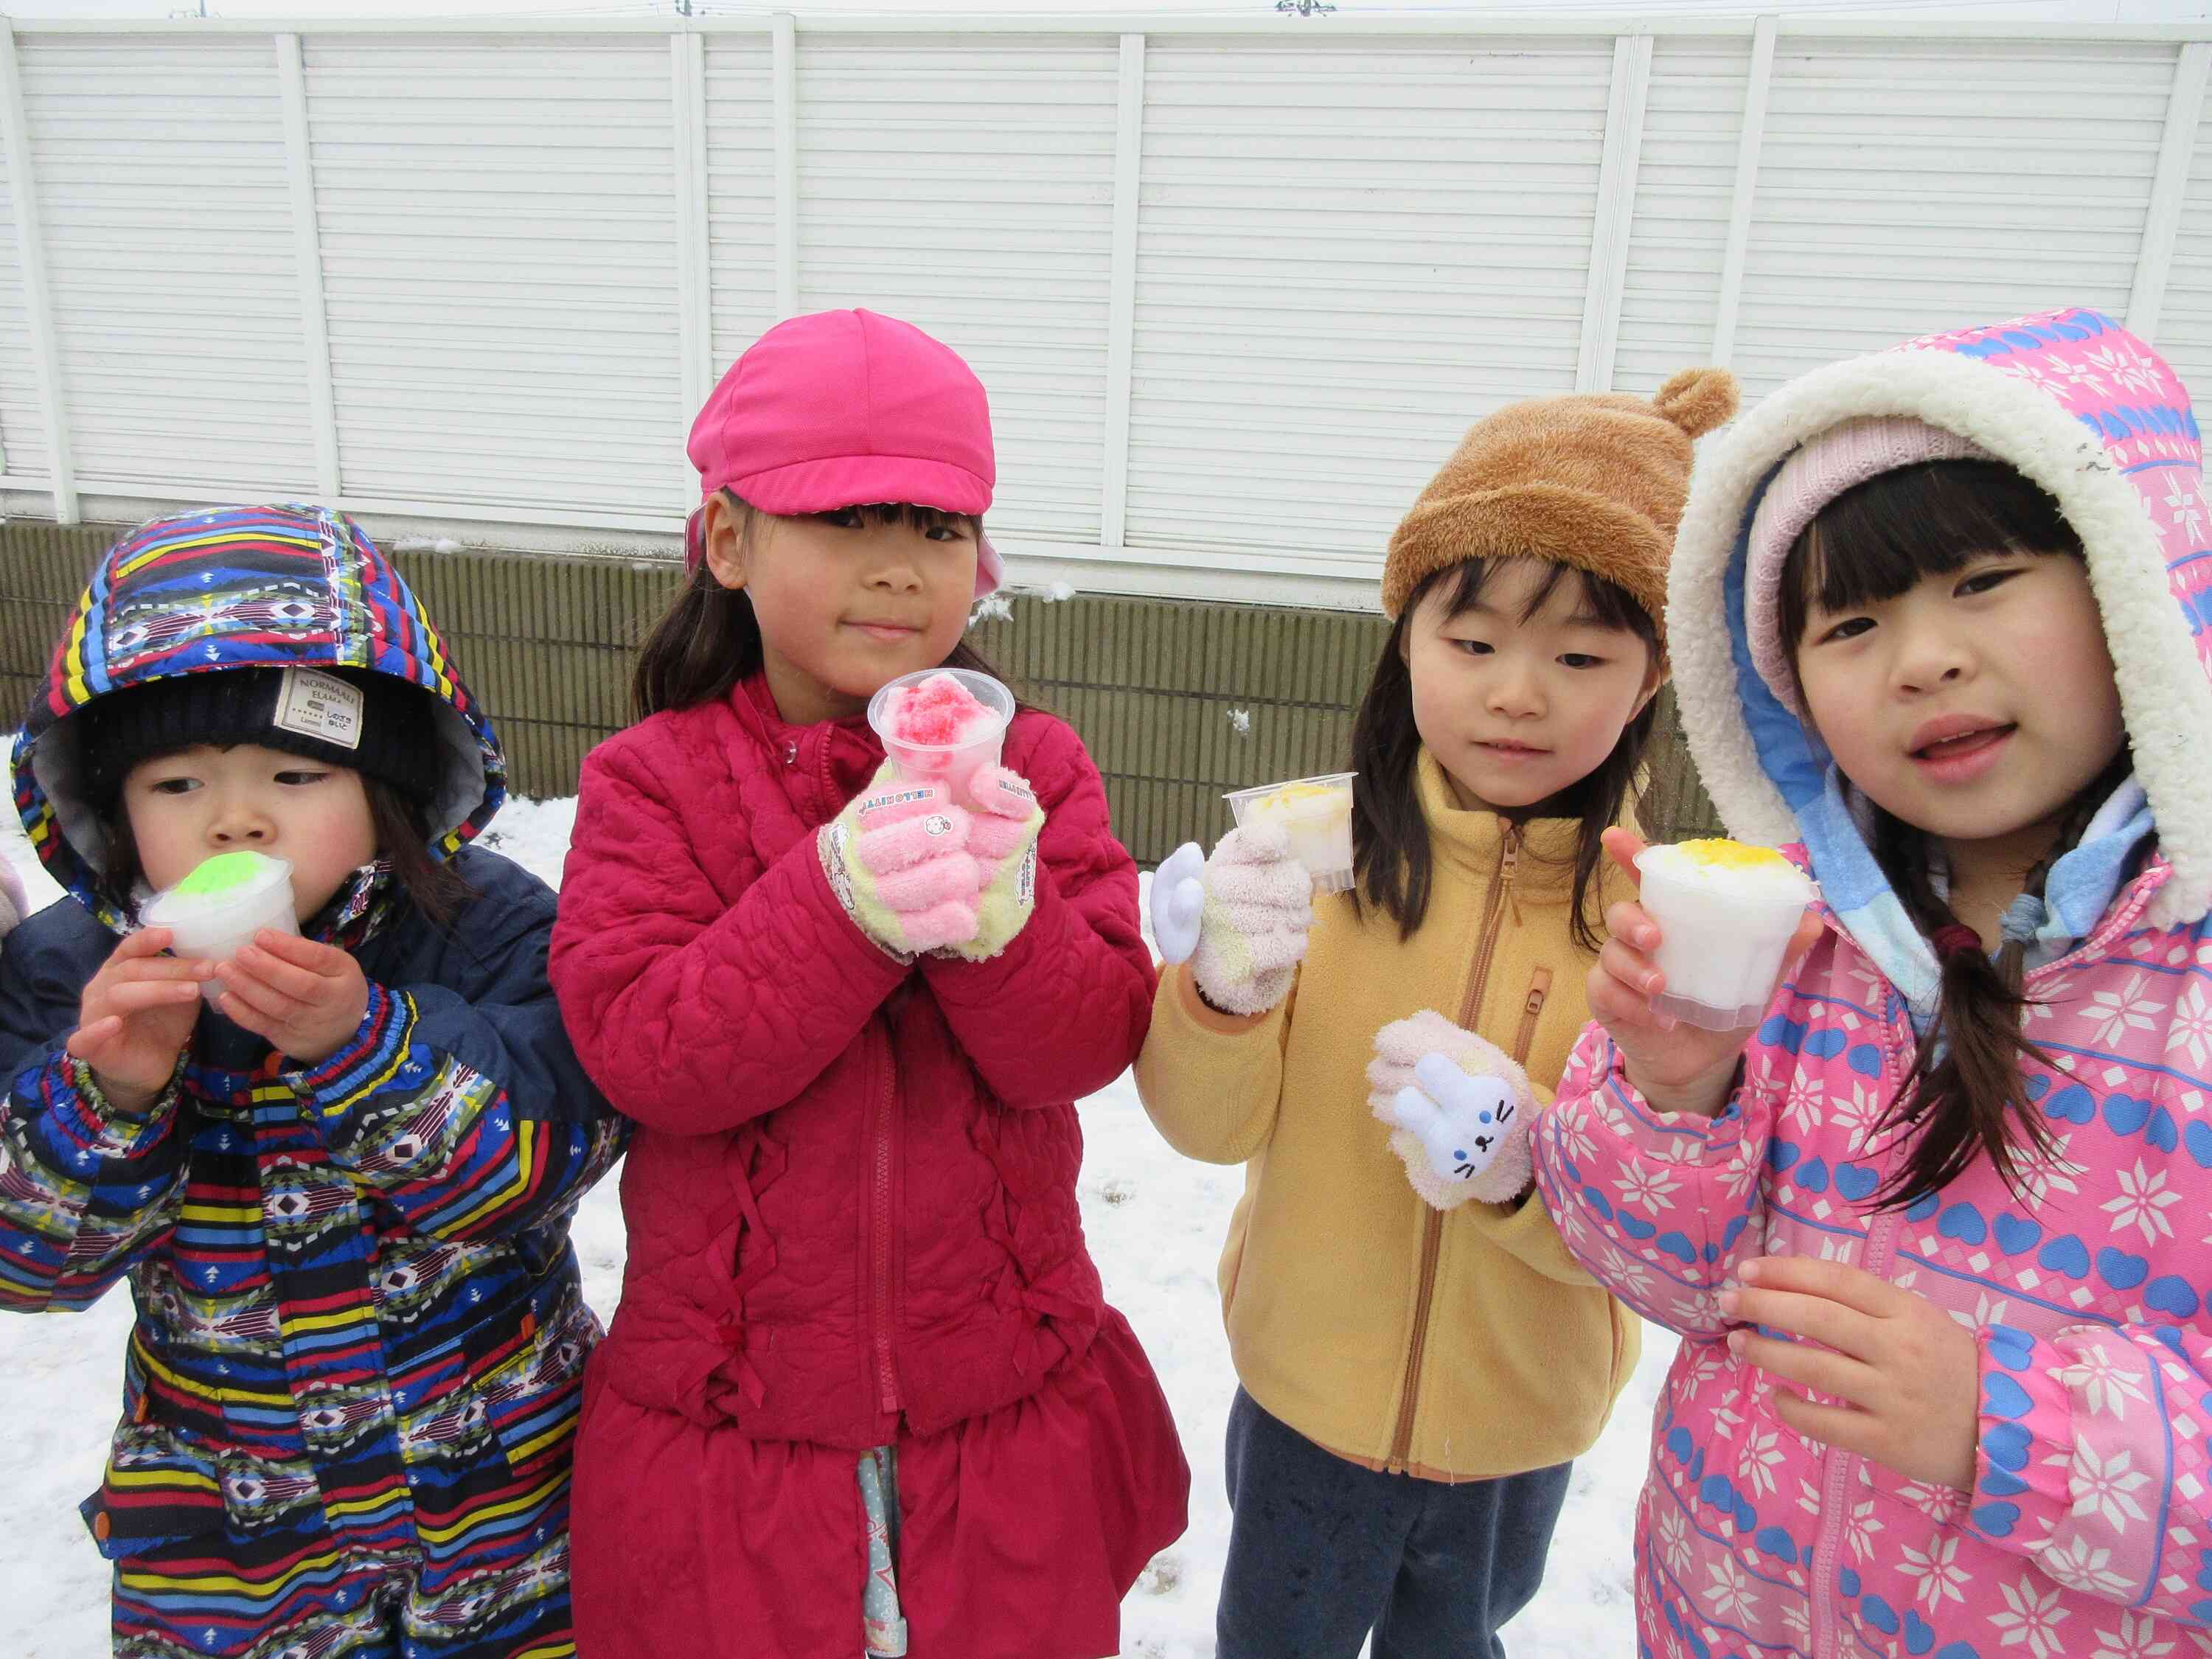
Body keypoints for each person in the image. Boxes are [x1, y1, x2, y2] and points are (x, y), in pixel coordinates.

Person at [1535, 307, 2212, 1652]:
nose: (1923, 659)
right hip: (1722, 1613)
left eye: (1981, 581)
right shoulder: (1789, 929)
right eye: (1851, 622)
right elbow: (1666, 1282)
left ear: (2133, 580)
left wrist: (2003, 1421)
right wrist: (1675, 1093)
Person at [549, 308, 1189, 1659]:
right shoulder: (649, 784)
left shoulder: (1041, 769)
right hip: (734, 1446)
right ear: (727, 540)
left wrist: (1002, 916)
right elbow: (649, 1051)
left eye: (938, 527)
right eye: (845, 519)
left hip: (1002, 1427)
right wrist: (840, 899)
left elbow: (1079, 1045)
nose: (900, 567)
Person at [1136, 368, 1739, 1657]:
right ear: (1405, 639)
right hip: (1305, 1400)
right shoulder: (1321, 866)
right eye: (1472, 643)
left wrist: (1530, 1169)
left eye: (1580, 654)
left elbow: (1672, 1234)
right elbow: (1199, 1129)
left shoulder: (1653, 936)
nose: (1519, 691)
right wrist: (1218, 996)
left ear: (1646, 684)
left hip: (1511, 1431)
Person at [0, 502, 625, 1656]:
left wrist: (368, 1048)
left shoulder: (484, 931)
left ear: (386, 788)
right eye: (176, 785)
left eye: (294, 773)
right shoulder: (75, 973)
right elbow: (27, 1264)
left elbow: (546, 1163)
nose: (237, 816)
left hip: (506, 1521)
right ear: (109, 811)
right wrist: (111, 1097)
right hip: (234, 1551)